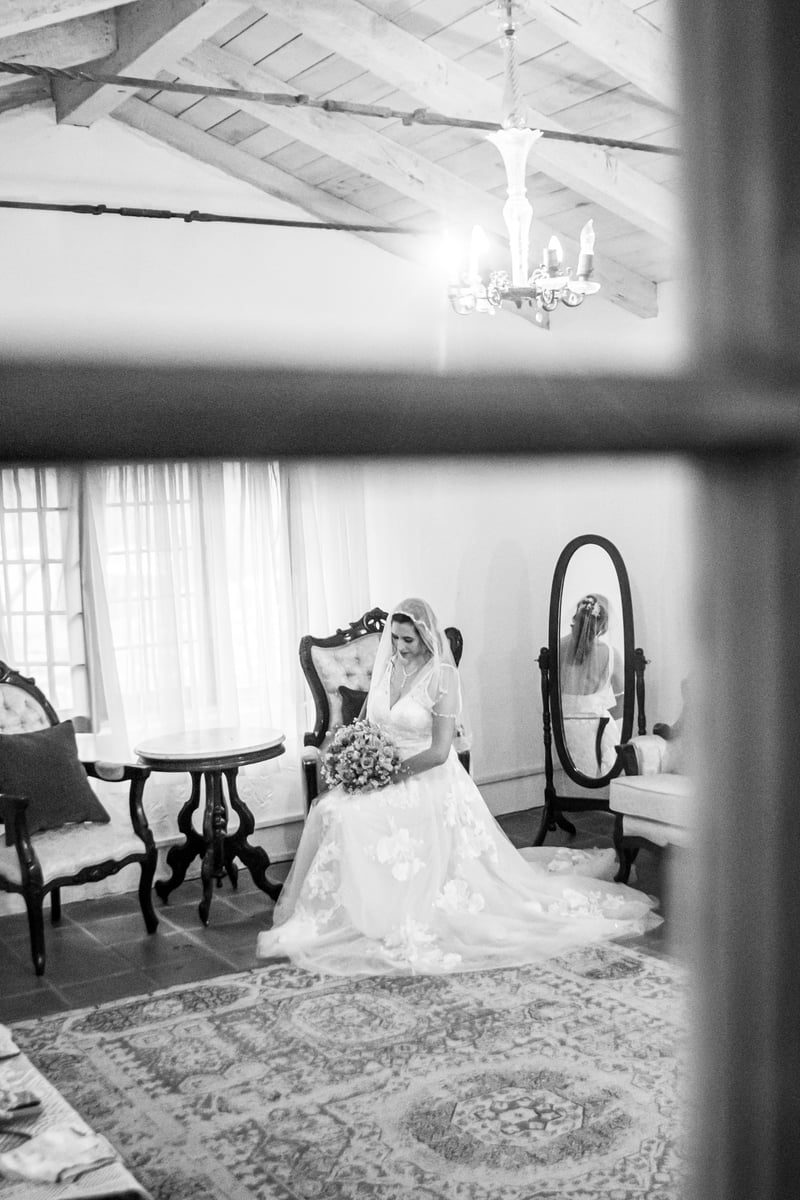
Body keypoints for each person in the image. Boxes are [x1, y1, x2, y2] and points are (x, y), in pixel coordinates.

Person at [256, 597, 660, 977]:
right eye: (395, 639)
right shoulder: (389, 667)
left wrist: (389, 775)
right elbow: (367, 725)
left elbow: (438, 752)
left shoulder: (442, 676)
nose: (400, 647)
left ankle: (387, 912)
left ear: (426, 637)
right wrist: (356, 758)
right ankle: (350, 911)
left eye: (408, 640)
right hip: (383, 769)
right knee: (331, 809)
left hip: (425, 775)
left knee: (357, 817)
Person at [559, 593, 623, 776]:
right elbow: (624, 703)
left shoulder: (557, 649)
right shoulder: (611, 654)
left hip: (562, 732)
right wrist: (597, 713)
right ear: (603, 625)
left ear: (575, 618)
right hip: (599, 731)